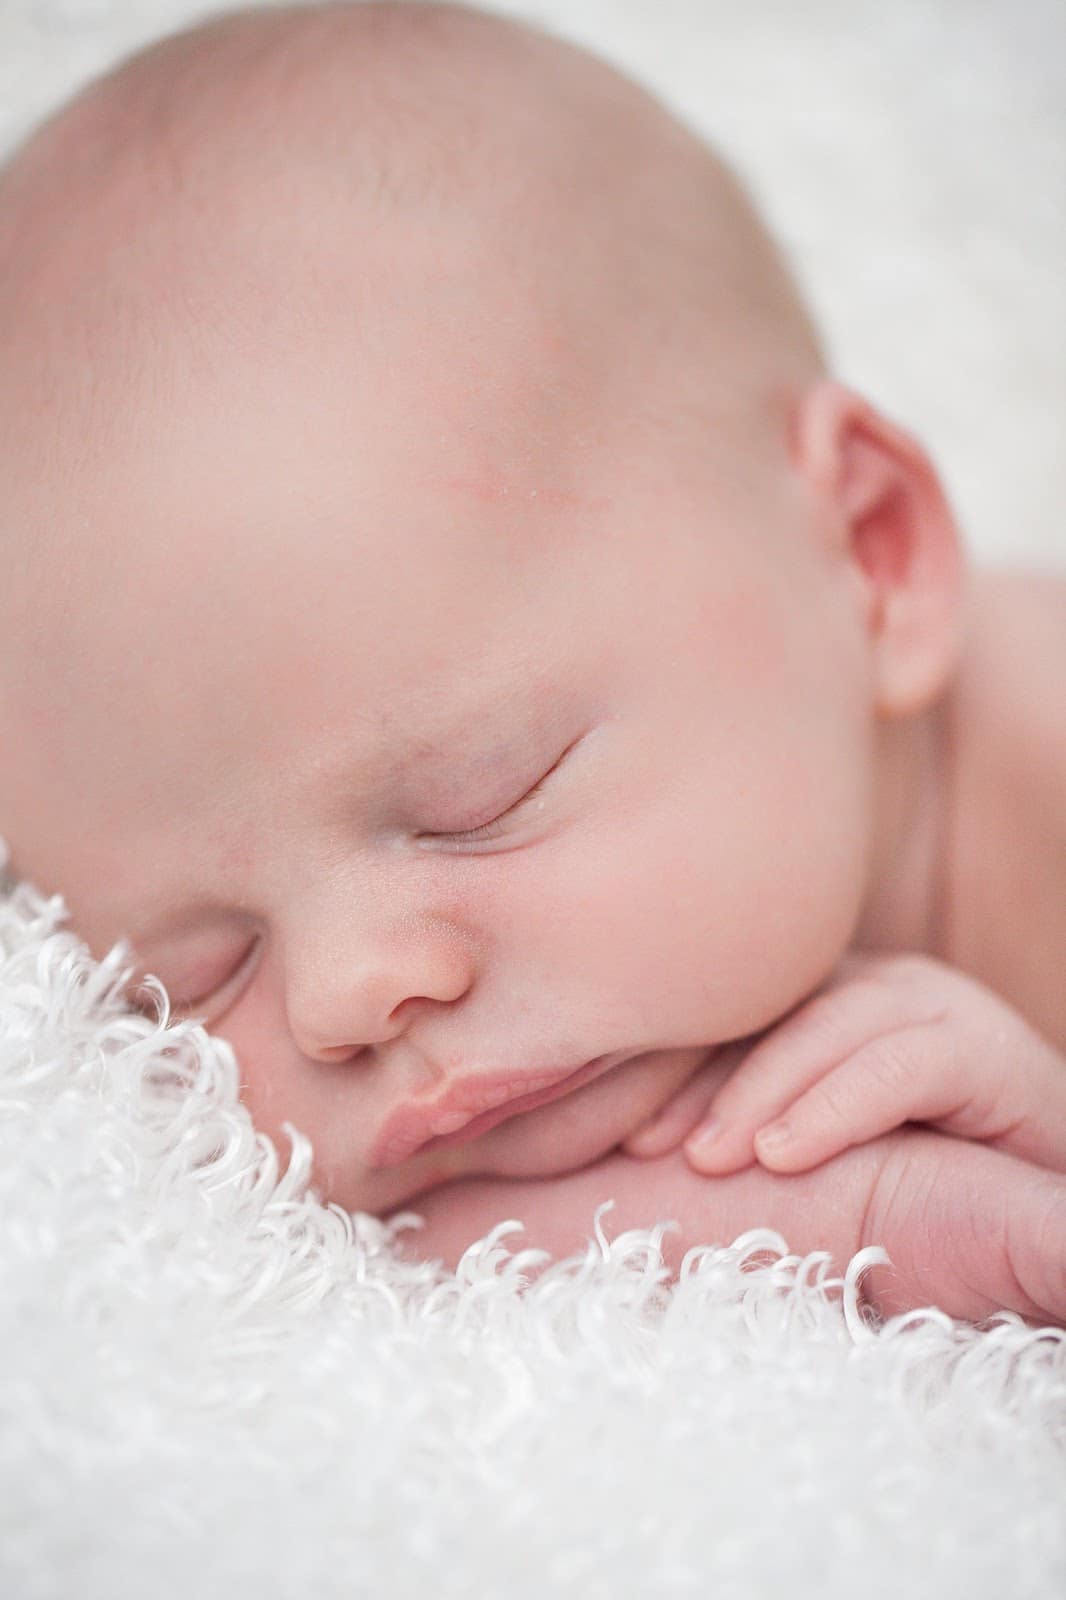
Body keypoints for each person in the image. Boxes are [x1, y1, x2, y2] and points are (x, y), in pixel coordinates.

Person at [0, 0, 1063, 1322]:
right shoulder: (556, 1052)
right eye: (199, 971)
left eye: (481, 797)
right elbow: (417, 1257)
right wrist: (853, 1216)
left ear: (867, 551)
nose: (348, 994)